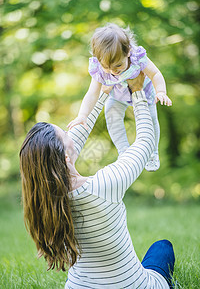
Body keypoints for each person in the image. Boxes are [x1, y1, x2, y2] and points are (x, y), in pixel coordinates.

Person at [20, 73, 175, 288]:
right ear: (66, 157)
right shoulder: (104, 185)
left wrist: (102, 94)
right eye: (66, 134)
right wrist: (138, 92)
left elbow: (76, 135)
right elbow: (146, 142)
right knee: (162, 248)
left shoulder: (43, 203)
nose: (71, 134)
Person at [67, 23, 172, 172]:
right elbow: (92, 93)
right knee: (111, 114)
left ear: (128, 52)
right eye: (107, 67)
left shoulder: (137, 57)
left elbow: (155, 74)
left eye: (118, 66)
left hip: (145, 94)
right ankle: (124, 151)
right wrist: (82, 115)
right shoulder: (99, 68)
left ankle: (153, 152)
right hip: (118, 96)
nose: (112, 71)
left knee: (152, 120)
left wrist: (161, 91)